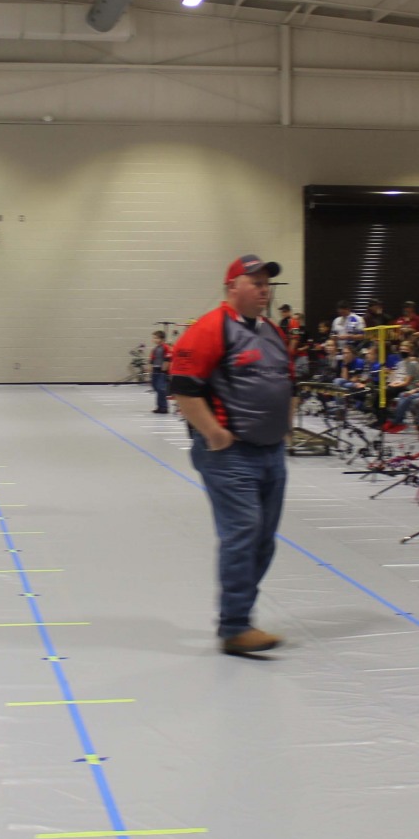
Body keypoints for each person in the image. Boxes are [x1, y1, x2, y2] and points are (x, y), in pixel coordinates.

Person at [170, 254, 296, 657]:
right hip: (231, 455)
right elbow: (183, 386)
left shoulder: (272, 332)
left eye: (266, 284)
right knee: (243, 531)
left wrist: (286, 423)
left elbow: (288, 382)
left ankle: (238, 617)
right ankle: (236, 626)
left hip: (271, 453)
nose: (264, 290)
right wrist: (213, 432)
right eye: (255, 283)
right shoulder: (211, 328)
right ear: (232, 288)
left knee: (263, 540)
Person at [148, 330, 171, 414]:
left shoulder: (165, 347)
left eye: (156, 338)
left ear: (162, 339)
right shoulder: (155, 349)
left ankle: (164, 407)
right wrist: (150, 368)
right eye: (154, 338)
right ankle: (159, 406)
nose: (154, 340)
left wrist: (164, 369)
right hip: (155, 370)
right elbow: (152, 359)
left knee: (161, 389)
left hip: (161, 371)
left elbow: (167, 358)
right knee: (156, 388)